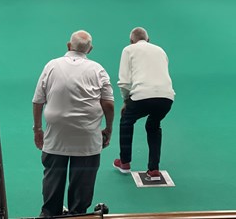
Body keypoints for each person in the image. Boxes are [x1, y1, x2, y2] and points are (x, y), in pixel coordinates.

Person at [32, 30, 114, 217]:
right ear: (90, 49)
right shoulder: (98, 69)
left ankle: (50, 213)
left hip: (56, 136)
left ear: (69, 45)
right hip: (87, 138)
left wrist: (37, 129)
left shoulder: (51, 65)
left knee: (52, 182)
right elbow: (108, 103)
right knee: (82, 189)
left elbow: (38, 101)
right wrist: (108, 128)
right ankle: (77, 214)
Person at [113, 27, 175, 181]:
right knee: (153, 126)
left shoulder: (128, 50)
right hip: (166, 98)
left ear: (131, 41)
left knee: (126, 121)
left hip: (141, 95)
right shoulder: (160, 50)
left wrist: (126, 102)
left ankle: (125, 162)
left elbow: (124, 82)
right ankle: (154, 169)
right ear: (148, 39)